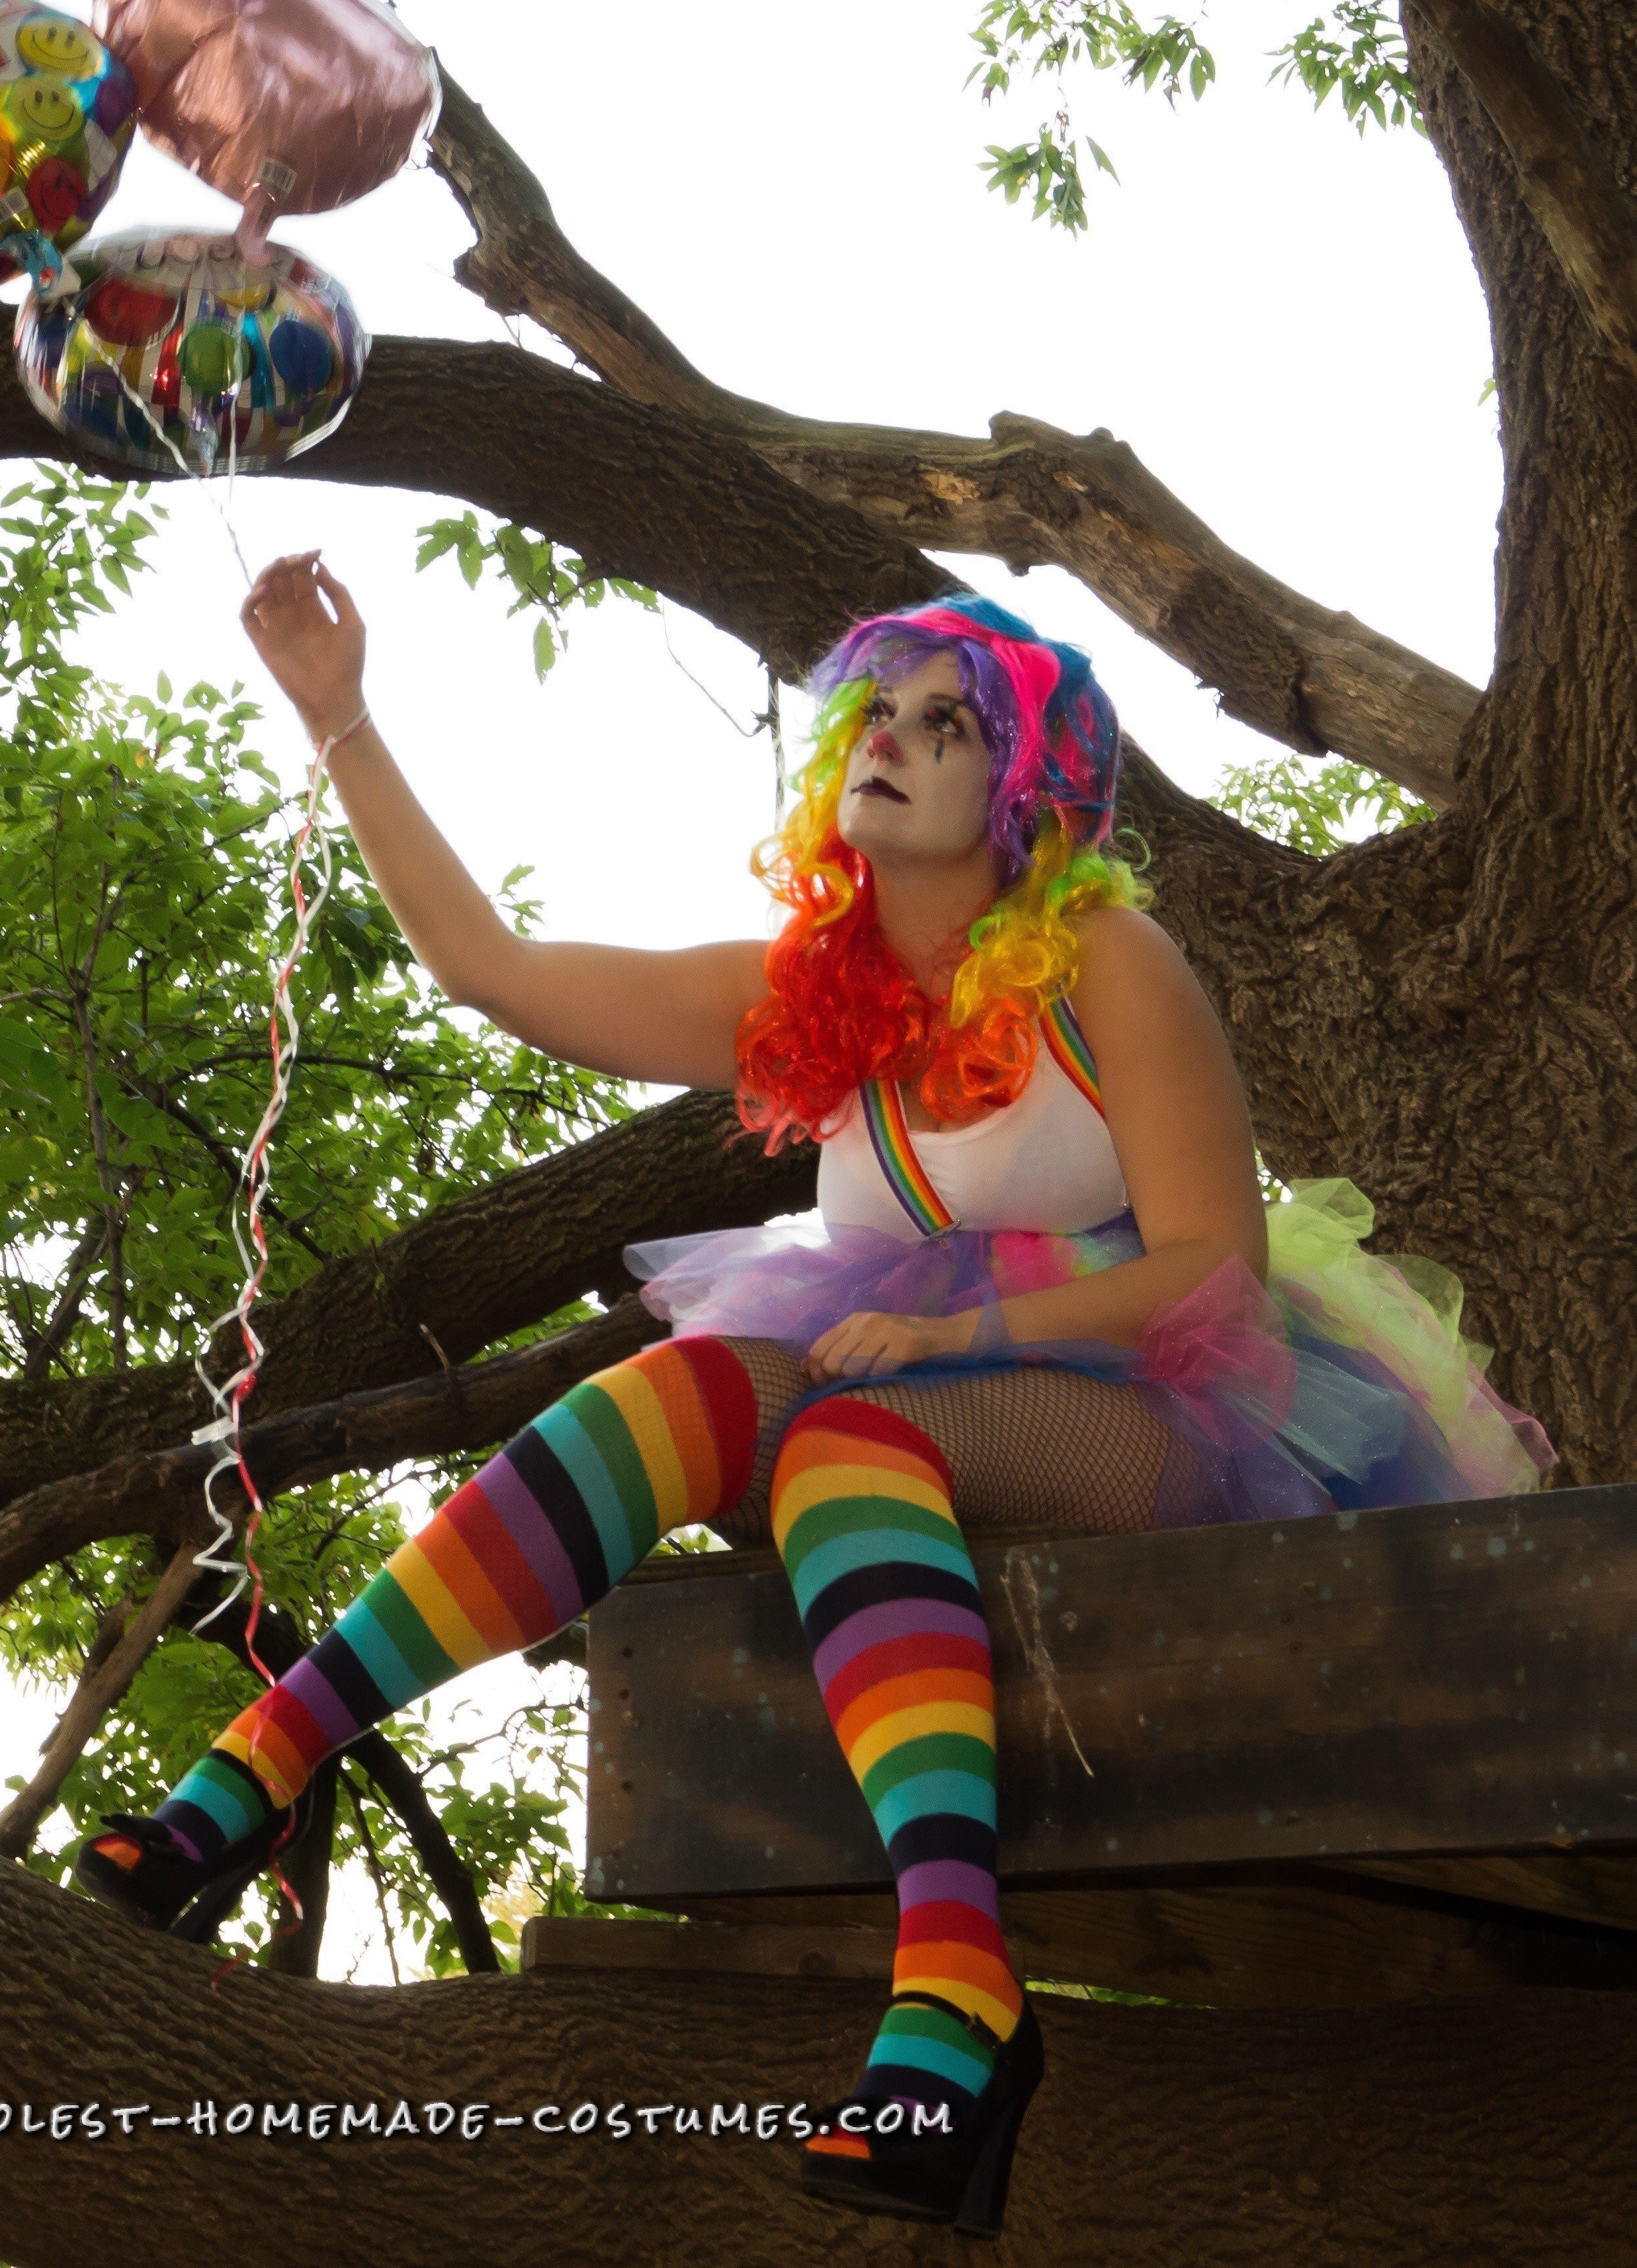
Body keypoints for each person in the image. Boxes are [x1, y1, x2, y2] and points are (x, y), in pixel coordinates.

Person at [77, 558, 1553, 2235]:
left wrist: (953, 1333)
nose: (894, 739)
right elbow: (489, 969)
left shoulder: (1111, 965)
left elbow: (1209, 1271)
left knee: (852, 1422)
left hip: (1156, 1410)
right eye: (881, 710)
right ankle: (255, 1771)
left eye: (951, 723)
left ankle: (958, 1987)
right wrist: (339, 715)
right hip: (904, 1410)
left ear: (1031, 790)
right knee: (684, 1385)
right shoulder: (813, 994)